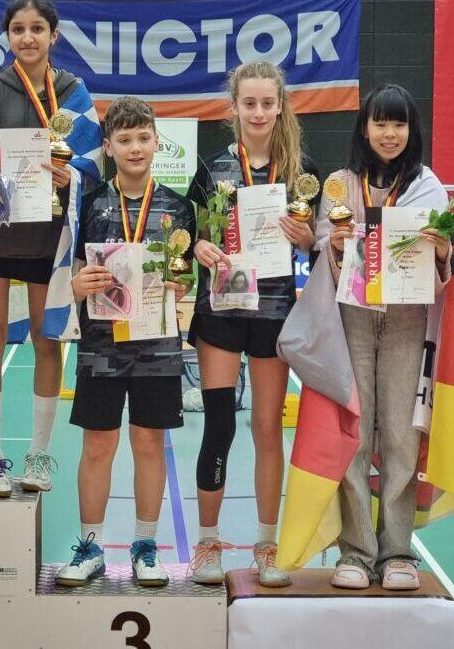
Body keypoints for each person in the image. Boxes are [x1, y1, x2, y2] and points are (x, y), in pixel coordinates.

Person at [0, 0, 102, 498]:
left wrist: (71, 174)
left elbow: (95, 162)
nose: (28, 38)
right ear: (7, 36)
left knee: (45, 339)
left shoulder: (74, 93)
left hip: (47, 232)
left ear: (54, 35)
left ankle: (38, 454)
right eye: (18, 29)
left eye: (37, 29)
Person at [186, 61, 319, 587]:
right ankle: (207, 543)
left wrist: (307, 238)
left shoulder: (301, 173)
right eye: (249, 103)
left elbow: (320, 240)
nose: (259, 112)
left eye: (267, 103)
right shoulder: (213, 168)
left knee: (267, 428)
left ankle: (267, 545)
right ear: (234, 108)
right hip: (221, 313)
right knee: (219, 425)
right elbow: (191, 233)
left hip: (274, 314)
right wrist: (199, 246)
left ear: (280, 106)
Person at [55, 97, 194, 588]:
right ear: (109, 147)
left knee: (150, 443)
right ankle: (90, 546)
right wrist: (76, 286)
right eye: (125, 139)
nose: (135, 147)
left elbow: (184, 277)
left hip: (158, 345)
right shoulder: (89, 205)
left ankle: (145, 546)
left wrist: (180, 285)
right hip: (102, 344)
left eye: (143, 138)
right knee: (97, 445)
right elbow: (70, 273)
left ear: (157, 142)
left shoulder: (179, 208)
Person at [316, 84, 451, 590]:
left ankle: (397, 552)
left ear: (412, 131)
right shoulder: (339, 184)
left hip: (406, 320)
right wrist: (333, 243)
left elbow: (445, 261)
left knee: (400, 436)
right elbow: (320, 250)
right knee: (353, 434)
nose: (389, 134)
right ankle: (355, 552)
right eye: (380, 123)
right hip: (351, 318)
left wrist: (442, 250)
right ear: (364, 128)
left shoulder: (429, 187)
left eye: (399, 124)